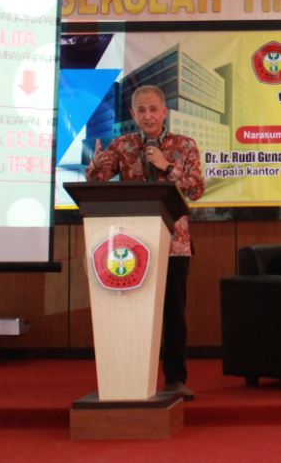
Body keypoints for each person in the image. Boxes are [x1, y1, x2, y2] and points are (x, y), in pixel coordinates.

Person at [85, 84, 205, 400]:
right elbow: (96, 180)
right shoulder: (122, 145)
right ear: (133, 114)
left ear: (164, 112)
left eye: (154, 109)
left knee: (173, 314)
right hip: (131, 247)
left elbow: (196, 189)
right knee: (132, 314)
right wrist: (95, 166)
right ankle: (131, 377)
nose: (148, 116)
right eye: (142, 110)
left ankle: (175, 379)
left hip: (174, 244)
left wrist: (167, 166)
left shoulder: (185, 145)